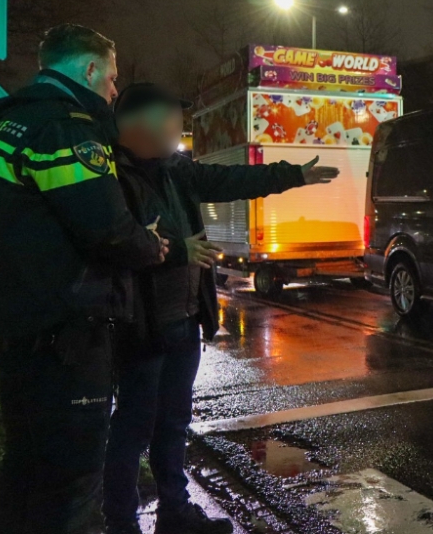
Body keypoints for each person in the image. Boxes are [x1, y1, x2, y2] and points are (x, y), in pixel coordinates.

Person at [103, 82, 338, 534]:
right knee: (132, 428)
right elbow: (116, 242)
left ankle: (174, 512)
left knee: (174, 423)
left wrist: (292, 175)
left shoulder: (176, 169)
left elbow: (231, 181)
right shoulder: (111, 174)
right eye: (173, 115)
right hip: (142, 324)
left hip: (184, 319)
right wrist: (177, 251)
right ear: (142, 121)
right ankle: (121, 522)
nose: (180, 126)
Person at [0, 25, 168, 534]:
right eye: (112, 77)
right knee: (70, 480)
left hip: (10, 322)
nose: (114, 91)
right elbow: (106, 228)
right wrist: (151, 245)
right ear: (89, 69)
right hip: (62, 331)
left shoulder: (3, 129)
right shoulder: (67, 129)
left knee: (27, 465)